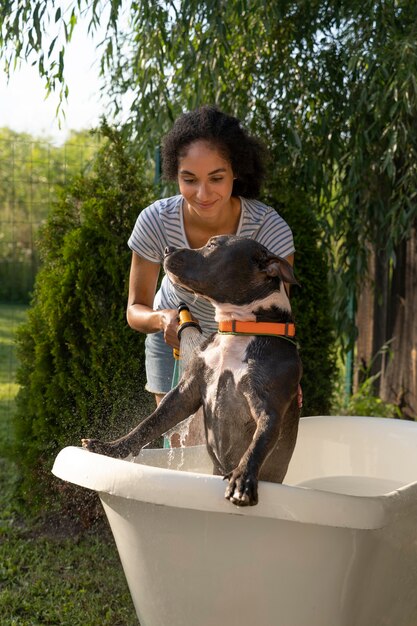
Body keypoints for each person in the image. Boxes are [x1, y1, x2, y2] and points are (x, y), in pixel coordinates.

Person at [126, 105, 298, 442]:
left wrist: (285, 376)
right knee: (179, 443)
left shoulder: (267, 229)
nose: (202, 195)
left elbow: (277, 320)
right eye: (189, 179)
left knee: (230, 442)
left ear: (236, 172)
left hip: (242, 345)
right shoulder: (155, 222)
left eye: (216, 178)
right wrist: (163, 321)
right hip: (176, 341)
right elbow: (135, 310)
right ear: (174, 174)